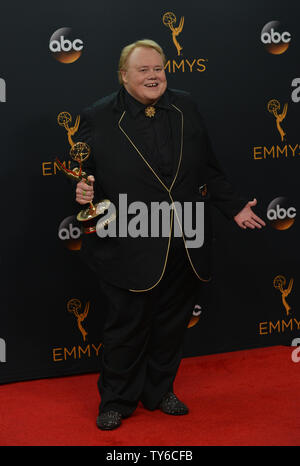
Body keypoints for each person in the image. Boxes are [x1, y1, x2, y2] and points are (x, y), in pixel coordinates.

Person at [72, 39, 266, 430]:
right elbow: (85, 173)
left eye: (158, 68)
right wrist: (82, 191)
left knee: (172, 323)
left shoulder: (186, 107)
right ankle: (116, 400)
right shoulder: (98, 116)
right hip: (131, 236)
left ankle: (159, 391)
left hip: (185, 235)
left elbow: (208, 168)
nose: (153, 76)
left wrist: (234, 206)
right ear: (123, 76)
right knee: (126, 326)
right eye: (143, 70)